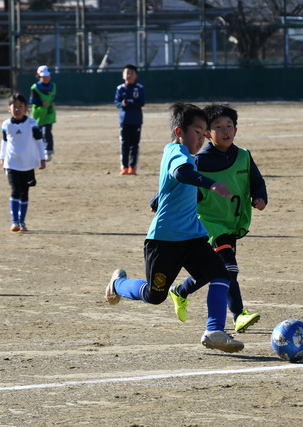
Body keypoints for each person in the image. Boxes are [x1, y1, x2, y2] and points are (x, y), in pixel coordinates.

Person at [104, 102, 244, 353]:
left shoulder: (190, 158)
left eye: (204, 134)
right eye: (197, 132)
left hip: (192, 236)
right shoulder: (175, 151)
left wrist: (159, 197)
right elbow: (180, 173)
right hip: (165, 240)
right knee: (154, 295)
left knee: (220, 273)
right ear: (179, 132)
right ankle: (118, 285)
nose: (201, 139)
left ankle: (215, 331)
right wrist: (211, 184)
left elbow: (176, 182)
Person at [166, 104, 267, 334]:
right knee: (229, 266)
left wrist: (260, 197)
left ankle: (181, 291)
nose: (225, 131)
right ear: (207, 134)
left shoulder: (244, 156)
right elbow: (180, 180)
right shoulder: (199, 161)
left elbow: (257, 182)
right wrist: (157, 199)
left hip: (232, 222)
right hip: (208, 222)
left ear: (236, 130)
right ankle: (239, 315)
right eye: (218, 127)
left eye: (229, 126)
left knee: (216, 270)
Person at [0, 93, 46, 232]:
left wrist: (42, 158)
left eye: (21, 106)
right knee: (15, 191)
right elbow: (4, 142)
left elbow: (39, 141)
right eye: (15, 106)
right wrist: (2, 158)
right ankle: (15, 222)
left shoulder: (32, 123)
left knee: (25, 193)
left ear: (26, 108)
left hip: (28, 164)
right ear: (9, 108)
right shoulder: (6, 124)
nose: (17, 109)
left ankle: (22, 221)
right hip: (12, 163)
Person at [114, 64, 145, 175]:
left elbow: (141, 102)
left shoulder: (139, 88)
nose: (129, 75)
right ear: (123, 75)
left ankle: (133, 167)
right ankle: (124, 167)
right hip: (124, 121)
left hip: (136, 121)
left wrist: (130, 102)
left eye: (131, 73)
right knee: (124, 144)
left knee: (134, 145)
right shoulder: (120, 88)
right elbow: (116, 102)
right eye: (127, 73)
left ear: (136, 75)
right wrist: (122, 104)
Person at [29, 65, 57, 161]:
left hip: (49, 114)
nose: (46, 78)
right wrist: (41, 103)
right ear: (39, 77)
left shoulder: (53, 86)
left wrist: (52, 102)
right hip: (38, 115)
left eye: (47, 76)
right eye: (43, 77)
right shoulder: (35, 87)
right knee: (37, 134)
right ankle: (36, 153)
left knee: (47, 132)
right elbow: (32, 100)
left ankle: (48, 151)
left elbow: (52, 97)